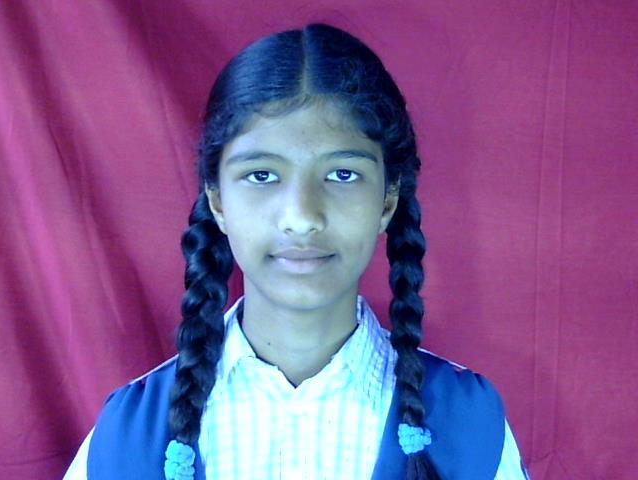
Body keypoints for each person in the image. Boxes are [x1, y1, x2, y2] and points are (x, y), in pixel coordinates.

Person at [64, 23, 530, 480]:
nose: (302, 217)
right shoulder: (125, 437)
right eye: (262, 175)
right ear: (218, 201)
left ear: (387, 200)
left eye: (343, 174)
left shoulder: (469, 425)